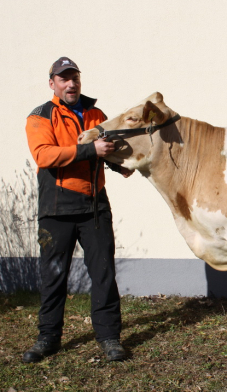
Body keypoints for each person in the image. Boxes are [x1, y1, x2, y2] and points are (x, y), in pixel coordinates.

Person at [23, 57, 133, 363]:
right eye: (64, 79)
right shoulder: (40, 116)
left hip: (95, 208)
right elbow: (45, 155)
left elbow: (111, 148)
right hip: (56, 209)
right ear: (53, 84)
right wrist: (90, 150)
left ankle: (109, 338)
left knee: (103, 274)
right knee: (53, 276)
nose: (71, 83)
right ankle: (48, 337)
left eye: (75, 78)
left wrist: (123, 164)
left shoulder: (97, 114)